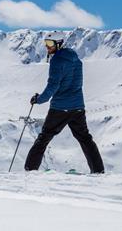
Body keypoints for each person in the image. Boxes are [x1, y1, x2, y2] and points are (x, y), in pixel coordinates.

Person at [24, 31, 104, 174]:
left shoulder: (57, 61)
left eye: (50, 44)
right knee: (85, 139)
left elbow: (52, 86)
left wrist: (38, 99)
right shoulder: (76, 60)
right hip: (78, 107)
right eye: (46, 44)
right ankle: (98, 170)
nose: (47, 47)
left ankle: (30, 170)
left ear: (59, 43)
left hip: (60, 108)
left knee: (44, 138)